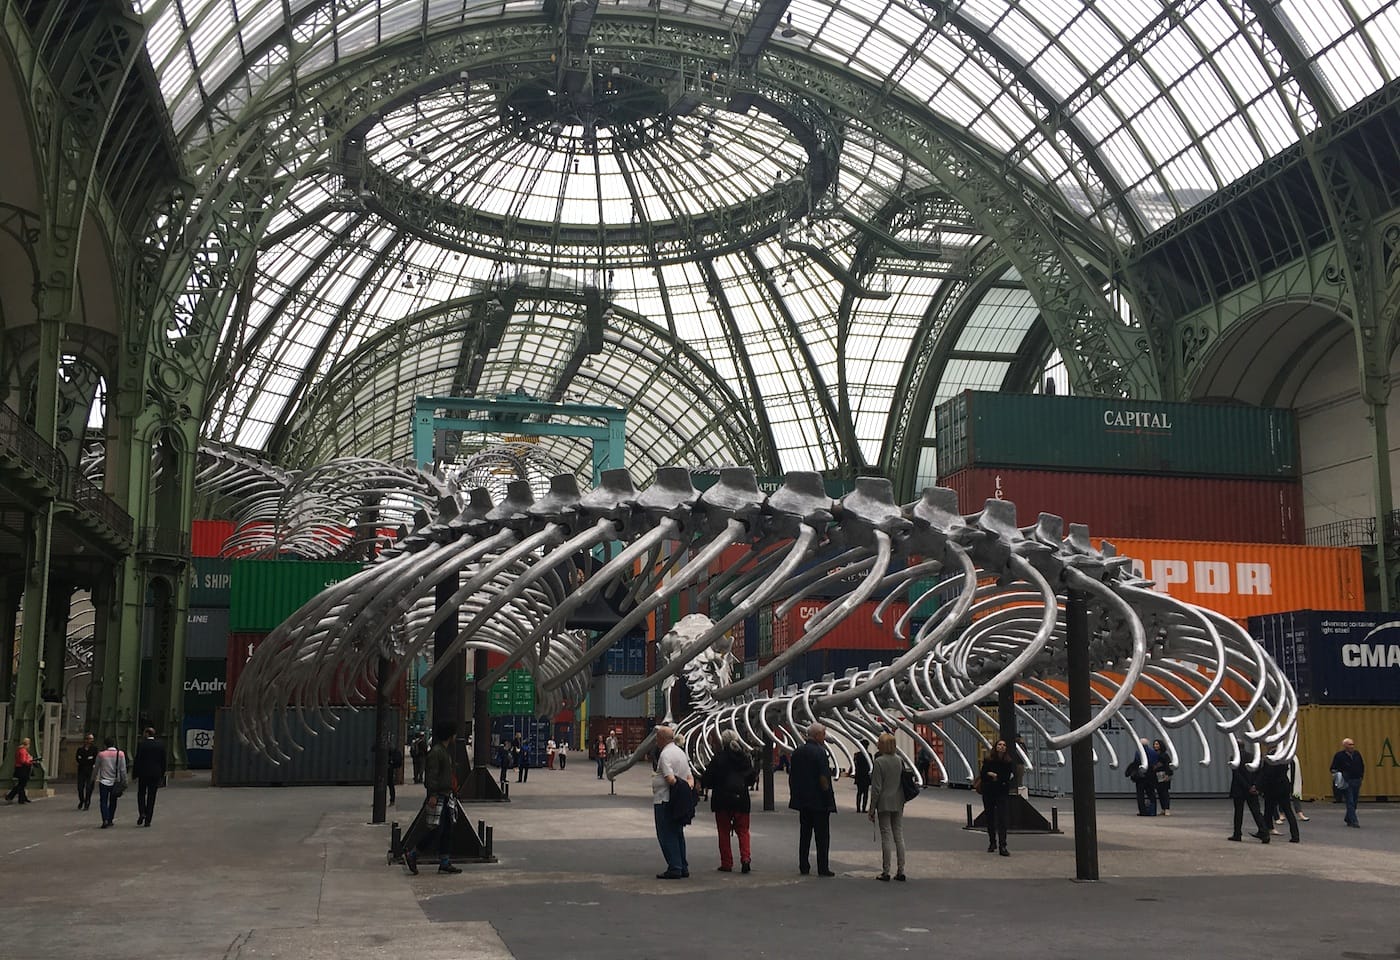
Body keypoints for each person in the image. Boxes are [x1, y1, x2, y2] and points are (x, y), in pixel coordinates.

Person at [405, 721, 462, 875]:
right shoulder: (437, 752)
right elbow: (431, 776)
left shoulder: (443, 751)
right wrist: (433, 795)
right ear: (450, 735)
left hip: (446, 795)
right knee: (436, 829)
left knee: (446, 829)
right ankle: (413, 854)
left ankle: (444, 861)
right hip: (439, 796)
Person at [788, 723, 838, 877]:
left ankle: (804, 865)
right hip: (819, 802)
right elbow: (823, 778)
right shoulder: (820, 753)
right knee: (822, 837)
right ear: (817, 736)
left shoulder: (797, 752)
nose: (825, 737)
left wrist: (796, 795)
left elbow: (792, 777)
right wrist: (828, 797)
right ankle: (823, 867)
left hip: (803, 801)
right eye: (823, 734)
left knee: (805, 834)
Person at [704, 729, 756, 873]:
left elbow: (708, 779)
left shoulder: (718, 758)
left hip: (722, 799)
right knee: (743, 831)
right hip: (741, 799)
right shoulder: (744, 757)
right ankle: (745, 858)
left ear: (723, 741)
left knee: (723, 832)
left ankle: (727, 863)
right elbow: (752, 778)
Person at [653, 725, 695, 879]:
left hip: (665, 799)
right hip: (678, 800)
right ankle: (682, 865)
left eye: (657, 738)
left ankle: (675, 866)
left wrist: (678, 786)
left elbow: (669, 778)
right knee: (677, 833)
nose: (656, 740)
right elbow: (690, 777)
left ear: (662, 739)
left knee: (666, 833)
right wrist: (686, 789)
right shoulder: (680, 753)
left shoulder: (665, 755)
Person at [868, 733, 908, 881]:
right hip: (898, 801)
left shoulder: (879, 762)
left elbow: (876, 788)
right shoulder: (899, 761)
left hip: (884, 802)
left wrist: (872, 808)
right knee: (899, 835)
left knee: (886, 836)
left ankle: (886, 871)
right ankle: (901, 870)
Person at [979, 738, 1017, 856]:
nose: (1002, 746)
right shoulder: (988, 760)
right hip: (989, 792)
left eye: (1004, 745)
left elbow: (1007, 777)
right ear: (995, 747)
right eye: (999, 744)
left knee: (1002, 819)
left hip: (1001, 793)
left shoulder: (1008, 762)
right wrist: (992, 776)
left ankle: (1003, 846)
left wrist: (994, 775)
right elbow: (983, 775)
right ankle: (992, 842)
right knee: (990, 818)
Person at [1227, 756, 1269, 843]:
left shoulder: (1234, 758)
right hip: (1252, 790)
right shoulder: (1252, 756)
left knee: (1238, 813)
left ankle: (1237, 834)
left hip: (1239, 790)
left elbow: (1237, 775)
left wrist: (1247, 787)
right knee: (1256, 812)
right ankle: (1264, 833)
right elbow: (1259, 772)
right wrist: (1255, 786)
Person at [132, 728, 167, 827]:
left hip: (143, 773)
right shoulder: (160, 745)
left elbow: (137, 759)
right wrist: (162, 774)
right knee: (152, 796)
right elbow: (163, 761)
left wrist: (135, 774)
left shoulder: (141, 744)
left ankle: (142, 812)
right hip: (155, 773)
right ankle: (148, 820)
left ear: (147, 734)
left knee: (141, 794)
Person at [1261, 759, 1300, 843]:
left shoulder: (1270, 758)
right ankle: (1295, 835)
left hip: (1272, 787)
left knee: (1268, 811)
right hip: (1284, 785)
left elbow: (1266, 774)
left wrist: (1260, 787)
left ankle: (1264, 833)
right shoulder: (1285, 757)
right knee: (1288, 811)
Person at [1330, 737, 1365, 828]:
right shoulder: (1339, 756)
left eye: (1353, 744)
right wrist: (1339, 776)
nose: (1352, 746)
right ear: (1344, 746)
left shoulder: (1357, 754)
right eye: (1350, 744)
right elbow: (1333, 768)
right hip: (1347, 781)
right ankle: (1354, 821)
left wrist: (1361, 777)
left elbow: (1362, 765)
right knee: (1350, 801)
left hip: (1357, 780)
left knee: (1355, 801)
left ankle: (1348, 818)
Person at [94, 737, 127, 828]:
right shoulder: (120, 754)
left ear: (105, 745)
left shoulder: (101, 754)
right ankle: (110, 819)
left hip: (104, 781)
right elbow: (123, 769)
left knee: (103, 801)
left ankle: (104, 818)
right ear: (114, 744)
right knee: (113, 801)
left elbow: (96, 768)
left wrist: (92, 779)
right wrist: (124, 781)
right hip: (115, 781)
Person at [1125, 737, 1158, 816]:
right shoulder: (1153, 752)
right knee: (1151, 794)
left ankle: (1143, 811)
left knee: (1140, 795)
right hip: (1151, 775)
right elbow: (1155, 763)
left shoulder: (1138, 753)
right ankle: (1153, 811)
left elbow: (1136, 762)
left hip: (1141, 776)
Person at [4, 737, 36, 804]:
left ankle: (14, 797)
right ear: (27, 744)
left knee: (21, 784)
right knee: (21, 785)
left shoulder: (20, 750)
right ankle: (20, 799)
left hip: (20, 769)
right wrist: (30, 761)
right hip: (23, 769)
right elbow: (23, 761)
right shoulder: (23, 751)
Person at [1149, 738, 1174, 816]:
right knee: (1159, 792)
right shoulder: (1153, 754)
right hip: (1156, 775)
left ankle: (1167, 808)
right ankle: (1163, 808)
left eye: (1157, 744)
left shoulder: (1164, 755)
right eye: (1154, 744)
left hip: (1163, 774)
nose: (1155, 746)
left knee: (1165, 792)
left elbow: (1168, 765)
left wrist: (1168, 774)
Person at [75, 733, 99, 810]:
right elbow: (78, 759)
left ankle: (87, 802)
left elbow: (94, 760)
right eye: (88, 739)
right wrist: (87, 759)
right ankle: (82, 800)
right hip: (81, 770)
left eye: (91, 739)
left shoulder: (94, 749)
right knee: (80, 787)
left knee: (89, 787)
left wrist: (86, 760)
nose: (89, 741)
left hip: (90, 771)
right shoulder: (80, 750)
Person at [852, 746, 872, 814]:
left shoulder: (857, 755)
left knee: (859, 792)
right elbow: (871, 765)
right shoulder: (869, 755)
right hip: (866, 776)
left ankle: (858, 808)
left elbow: (854, 764)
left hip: (859, 776)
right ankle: (863, 808)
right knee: (865, 793)